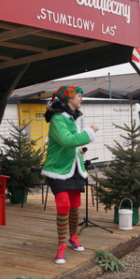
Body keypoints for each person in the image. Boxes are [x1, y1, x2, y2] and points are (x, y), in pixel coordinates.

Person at [41, 86, 98, 265]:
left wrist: (79, 148)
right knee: (63, 204)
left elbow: (72, 142)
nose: (81, 98)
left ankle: (73, 236)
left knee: (75, 205)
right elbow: (66, 141)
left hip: (74, 167)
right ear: (68, 99)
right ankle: (61, 244)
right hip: (58, 169)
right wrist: (89, 133)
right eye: (79, 96)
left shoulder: (72, 118)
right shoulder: (58, 119)